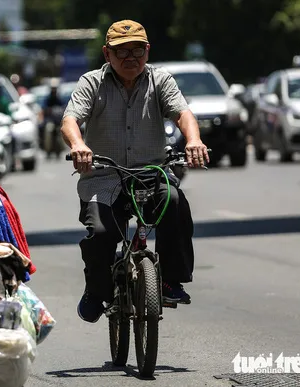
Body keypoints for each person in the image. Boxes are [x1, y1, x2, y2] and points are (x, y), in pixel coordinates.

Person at [61, 19, 209, 323]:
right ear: (107, 54)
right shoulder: (92, 82)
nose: (131, 58)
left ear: (147, 50)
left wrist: (194, 140)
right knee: (101, 235)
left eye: (137, 51)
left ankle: (170, 281)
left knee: (175, 202)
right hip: (104, 176)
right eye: (121, 52)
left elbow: (183, 113)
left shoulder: (161, 81)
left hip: (152, 172)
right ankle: (97, 290)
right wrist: (78, 146)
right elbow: (70, 120)